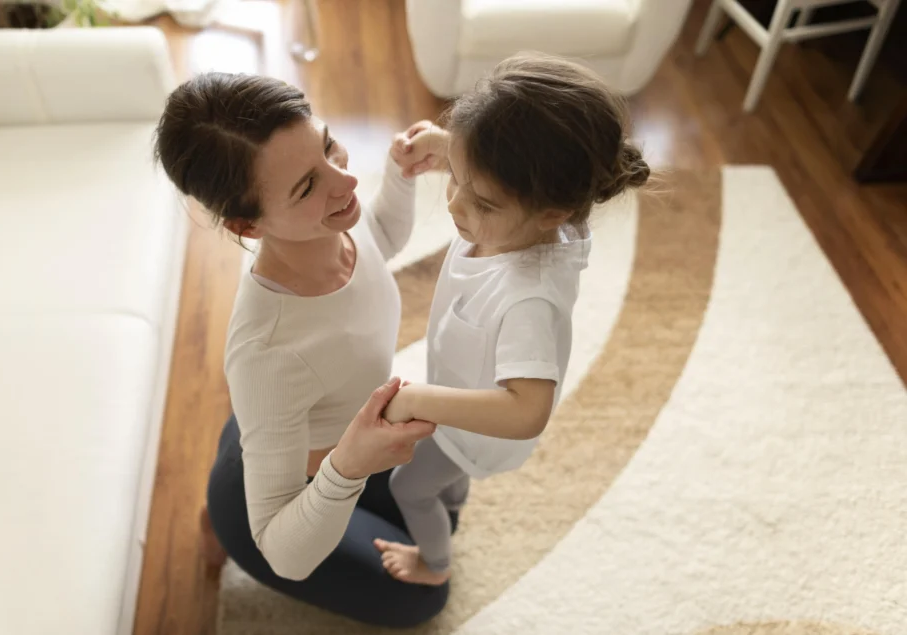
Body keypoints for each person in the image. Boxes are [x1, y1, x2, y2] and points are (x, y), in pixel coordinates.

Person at [152, 72, 454, 628]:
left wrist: (402, 174)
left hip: (301, 430)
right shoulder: (267, 351)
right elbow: (285, 554)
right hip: (268, 502)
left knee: (446, 513)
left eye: (329, 145)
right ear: (247, 224)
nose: (346, 180)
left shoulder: (330, 224)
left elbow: (379, 238)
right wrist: (351, 465)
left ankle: (254, 456)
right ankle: (214, 520)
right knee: (425, 598)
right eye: (306, 186)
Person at [375, 52, 651, 586]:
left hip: (474, 421)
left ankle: (435, 563)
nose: (454, 206)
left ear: (552, 213)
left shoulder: (529, 297)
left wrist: (415, 399)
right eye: (454, 177)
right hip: (460, 396)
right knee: (449, 475)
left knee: (409, 487)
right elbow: (481, 170)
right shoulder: (521, 223)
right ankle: (453, 498)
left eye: (480, 201)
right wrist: (445, 146)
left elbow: (527, 411)